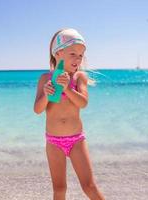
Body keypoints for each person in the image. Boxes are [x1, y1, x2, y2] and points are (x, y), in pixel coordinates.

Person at [33, 28, 105, 200]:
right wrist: (47, 95)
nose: (78, 59)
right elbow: (37, 109)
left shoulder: (79, 77)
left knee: (89, 186)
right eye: (73, 53)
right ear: (58, 53)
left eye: (81, 55)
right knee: (59, 189)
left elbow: (83, 103)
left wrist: (67, 88)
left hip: (76, 140)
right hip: (54, 142)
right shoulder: (45, 79)